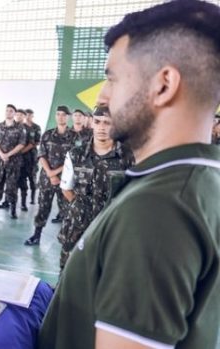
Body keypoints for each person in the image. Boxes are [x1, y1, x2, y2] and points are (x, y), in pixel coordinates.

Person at [40, 1, 220, 347]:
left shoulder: (158, 208)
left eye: (112, 78)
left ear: (164, 84)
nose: (104, 97)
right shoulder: (199, 181)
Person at [56, 106, 133, 270]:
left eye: (107, 123)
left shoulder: (128, 156)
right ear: (92, 123)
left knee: (106, 272)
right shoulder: (75, 154)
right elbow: (66, 189)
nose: (102, 127)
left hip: (112, 226)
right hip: (77, 224)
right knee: (68, 272)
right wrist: (83, 208)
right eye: (98, 122)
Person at [24, 106, 76, 245]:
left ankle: (67, 238)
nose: (60, 117)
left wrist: (55, 173)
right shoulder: (47, 134)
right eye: (58, 114)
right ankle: (36, 235)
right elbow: (41, 155)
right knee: (42, 208)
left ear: (68, 117)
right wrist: (49, 173)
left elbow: (76, 158)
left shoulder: (76, 137)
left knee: (67, 210)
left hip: (66, 181)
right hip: (47, 179)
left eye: (64, 115)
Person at [0, 104, 26, 219]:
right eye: (7, 111)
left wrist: (8, 155)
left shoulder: (20, 128)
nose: (8, 113)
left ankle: (13, 210)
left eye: (11, 111)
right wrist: (1, 154)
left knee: (12, 186)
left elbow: (21, 144)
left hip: (13, 163)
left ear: (14, 113)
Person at [19, 108, 41, 206]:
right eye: (26, 115)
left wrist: (25, 149)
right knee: (22, 179)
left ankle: (32, 198)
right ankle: (23, 202)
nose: (28, 117)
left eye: (30, 115)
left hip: (32, 157)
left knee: (33, 178)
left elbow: (37, 141)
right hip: (21, 158)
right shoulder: (21, 126)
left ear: (32, 116)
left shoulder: (36, 127)